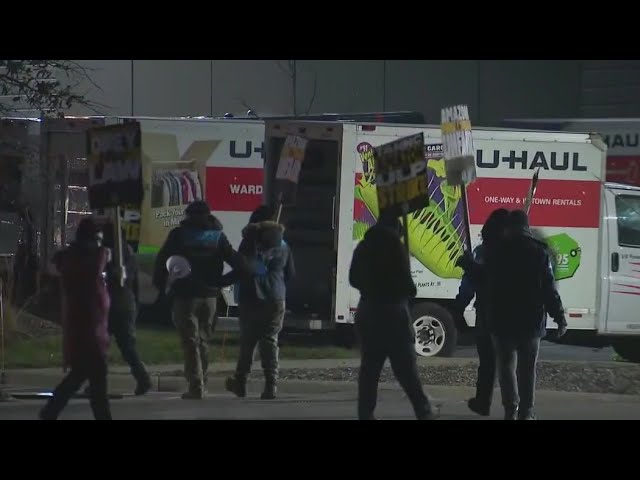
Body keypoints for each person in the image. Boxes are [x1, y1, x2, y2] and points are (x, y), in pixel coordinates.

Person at [459, 210, 567, 420]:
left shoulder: (497, 251)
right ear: (526, 227)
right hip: (530, 322)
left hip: (502, 322)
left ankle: (511, 409)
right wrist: (559, 317)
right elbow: (549, 290)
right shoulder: (539, 252)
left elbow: (483, 278)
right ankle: (526, 413)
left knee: (506, 367)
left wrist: (467, 264)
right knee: (527, 371)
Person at [349, 212, 439, 420]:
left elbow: (353, 279)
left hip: (368, 309)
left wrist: (369, 286)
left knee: (370, 370)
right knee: (406, 368)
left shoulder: (363, 247)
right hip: (393, 313)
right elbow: (407, 286)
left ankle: (366, 413)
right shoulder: (396, 249)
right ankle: (423, 410)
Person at [153, 200, 245, 400]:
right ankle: (201, 381)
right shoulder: (218, 237)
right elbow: (240, 264)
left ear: (189, 216)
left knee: (190, 342)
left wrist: (161, 288)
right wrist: (222, 281)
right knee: (203, 341)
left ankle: (196, 386)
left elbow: (162, 261)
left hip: (185, 296)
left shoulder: (179, 235)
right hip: (211, 298)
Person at [39, 218, 112, 420]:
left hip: (87, 326)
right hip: (90, 328)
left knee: (79, 376)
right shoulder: (87, 260)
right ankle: (50, 412)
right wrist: (105, 253)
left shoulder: (72, 259)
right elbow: (95, 267)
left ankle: (49, 412)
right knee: (96, 383)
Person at [224, 205, 295, 400]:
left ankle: (240, 382)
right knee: (270, 340)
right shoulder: (283, 244)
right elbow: (290, 273)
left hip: (250, 296)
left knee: (248, 342)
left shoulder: (249, 242)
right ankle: (271, 385)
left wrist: (220, 283)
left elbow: (242, 268)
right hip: (276, 298)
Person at [454, 208, 509, 417]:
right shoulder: (514, 252)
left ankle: (483, 401)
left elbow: (473, 282)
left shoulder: (483, 252)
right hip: (510, 315)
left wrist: (459, 305)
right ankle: (513, 406)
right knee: (508, 365)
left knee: (487, 363)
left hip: (487, 314)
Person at [101, 221, 152, 396]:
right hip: (127, 301)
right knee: (127, 347)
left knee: (100, 345)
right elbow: (135, 283)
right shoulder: (128, 252)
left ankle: (96, 382)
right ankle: (143, 378)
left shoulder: (108, 252)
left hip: (111, 301)